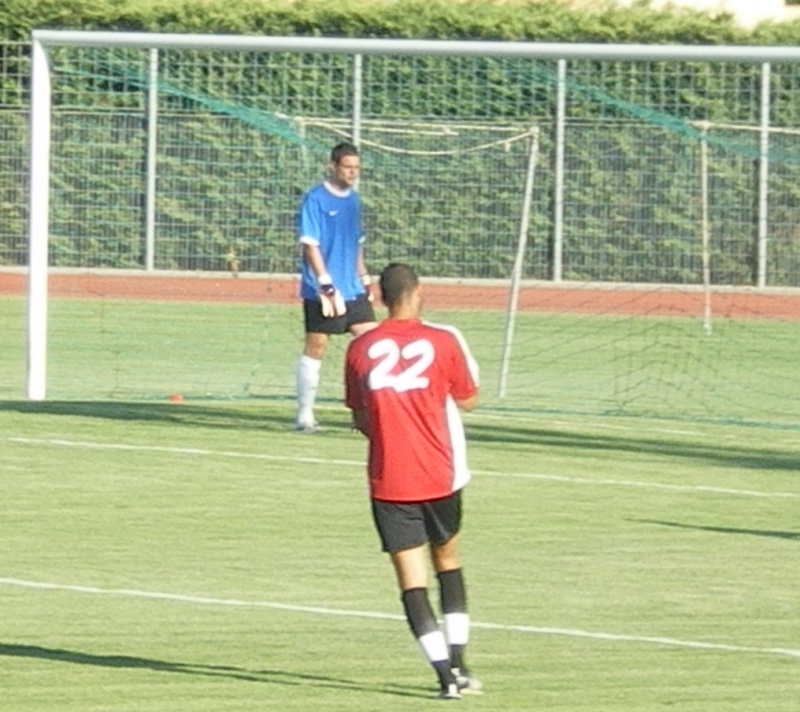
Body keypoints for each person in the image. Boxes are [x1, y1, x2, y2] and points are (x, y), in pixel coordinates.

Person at [344, 263, 483, 700]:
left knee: (411, 581)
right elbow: (469, 398)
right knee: (449, 561)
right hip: (441, 474)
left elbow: (360, 416)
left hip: (390, 480)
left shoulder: (361, 348)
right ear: (419, 292)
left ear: (380, 298)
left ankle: (445, 677)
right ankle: (461, 662)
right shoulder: (442, 341)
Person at [295, 142, 378, 432]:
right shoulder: (315, 199)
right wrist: (325, 283)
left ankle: (367, 414)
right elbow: (310, 245)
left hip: (353, 289)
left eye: (356, 168)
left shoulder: (354, 200)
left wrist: (365, 278)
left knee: (373, 345)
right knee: (317, 347)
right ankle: (304, 415)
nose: (353, 172)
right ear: (333, 166)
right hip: (323, 290)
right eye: (347, 167)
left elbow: (356, 244)